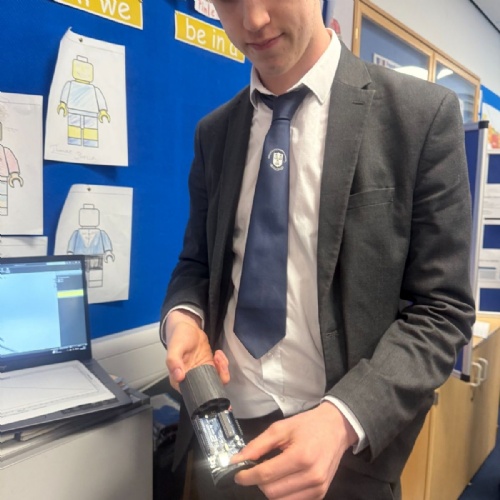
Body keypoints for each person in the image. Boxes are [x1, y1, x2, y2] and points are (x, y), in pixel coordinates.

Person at [160, 0, 475, 498]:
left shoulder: (420, 116)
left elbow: (442, 310)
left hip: (347, 453)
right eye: (229, 1)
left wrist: (342, 419)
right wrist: (183, 320)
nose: (253, 20)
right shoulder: (214, 134)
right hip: (226, 439)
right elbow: (197, 264)